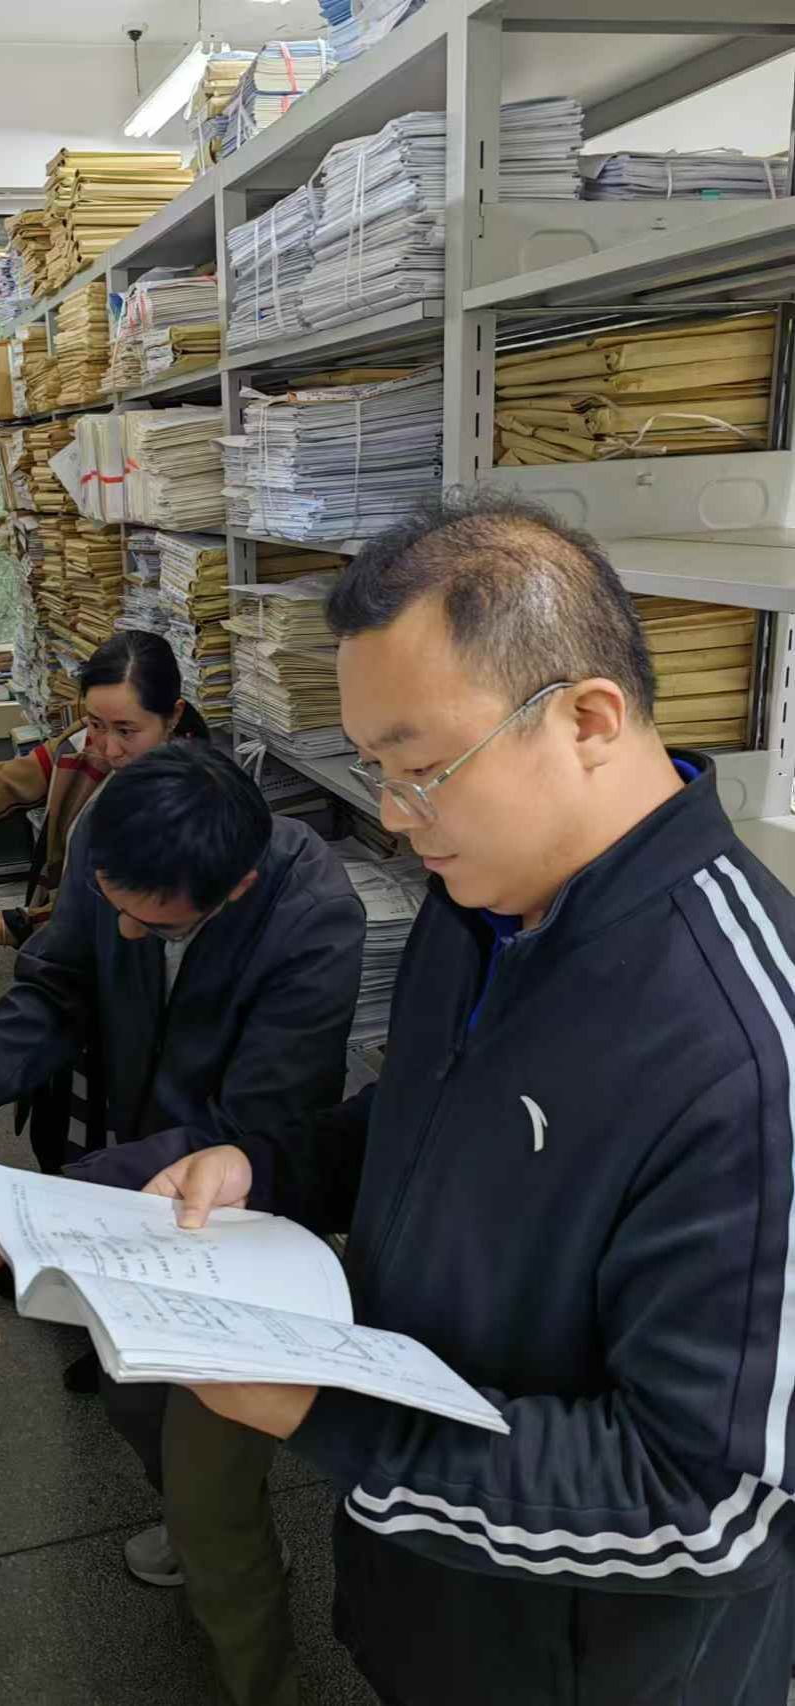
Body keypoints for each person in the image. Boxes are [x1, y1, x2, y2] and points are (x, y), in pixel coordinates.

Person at [138, 491, 795, 1706]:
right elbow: (430, 1126)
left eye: (424, 767)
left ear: (588, 718)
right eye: (376, 768)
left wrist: (332, 1416)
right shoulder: (478, 902)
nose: (394, 814)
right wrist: (268, 1168)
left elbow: (708, 1505)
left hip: (591, 1662)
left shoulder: (744, 1048)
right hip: (440, 1601)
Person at [0, 742, 367, 1706]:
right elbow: (56, 984)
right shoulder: (112, 831)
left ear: (236, 888)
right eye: (115, 907)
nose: (128, 933)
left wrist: (51, 1217)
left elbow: (252, 1131)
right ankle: (192, 1524)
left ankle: (265, 1673)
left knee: (214, 1493)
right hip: (128, 1193)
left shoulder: (312, 918)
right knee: (133, 1396)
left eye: (157, 923)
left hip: (235, 1222)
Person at [0, 630, 210, 1177]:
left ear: (173, 717)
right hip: (73, 994)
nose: (107, 748)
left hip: (136, 1030)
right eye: (95, 724)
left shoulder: (193, 816)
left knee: (127, 1150)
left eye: (127, 731)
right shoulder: (89, 749)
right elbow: (8, 783)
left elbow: (78, 936)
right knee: (67, 1127)